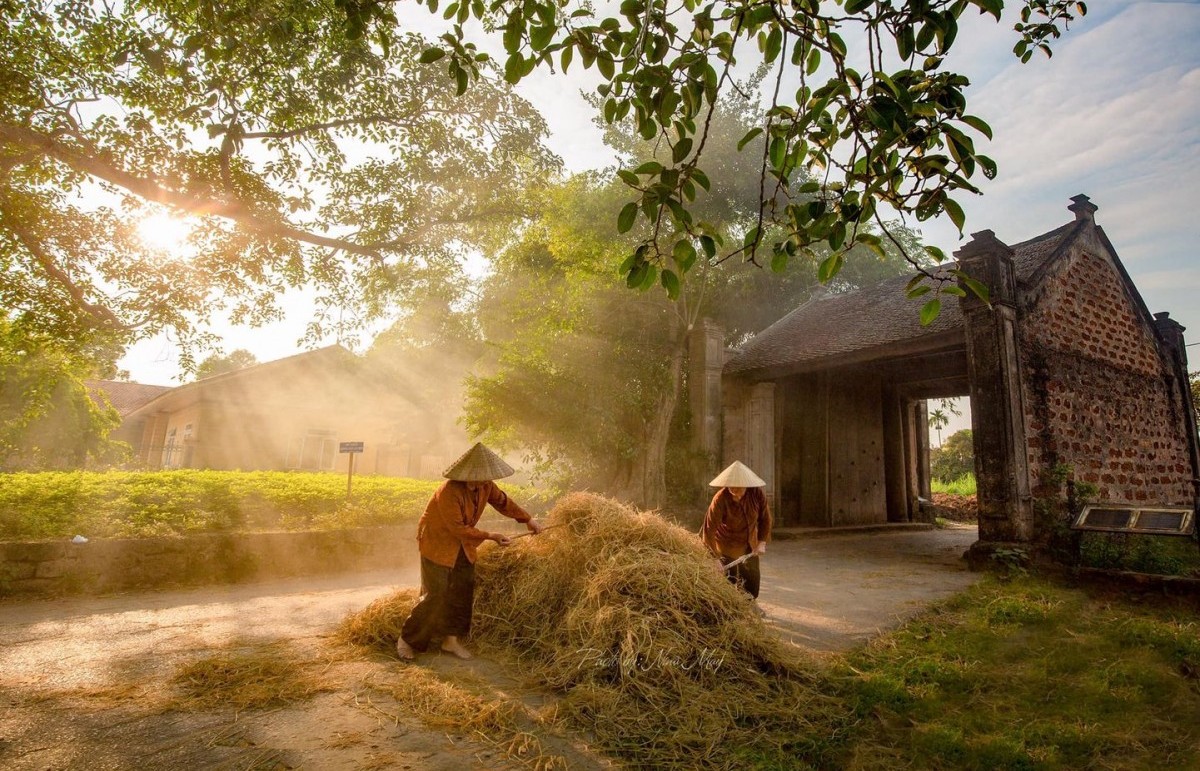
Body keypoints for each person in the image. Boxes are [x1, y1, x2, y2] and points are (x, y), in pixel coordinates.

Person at [395, 442, 541, 661]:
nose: (484, 480)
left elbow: (503, 502)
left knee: (462, 590)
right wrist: (490, 536)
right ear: (467, 475)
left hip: (464, 545)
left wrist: (527, 519)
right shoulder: (448, 492)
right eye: (480, 476)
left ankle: (450, 641)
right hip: (438, 544)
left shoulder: (486, 486)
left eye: (486, 476)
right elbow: (457, 528)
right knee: (436, 593)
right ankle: (407, 639)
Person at [700, 461, 772, 600]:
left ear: (746, 485)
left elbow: (766, 519)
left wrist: (762, 542)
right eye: (731, 489)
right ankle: (732, 610)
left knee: (752, 580)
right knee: (729, 581)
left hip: (750, 544)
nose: (735, 494)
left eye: (738, 490)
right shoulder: (720, 499)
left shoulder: (756, 494)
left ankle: (750, 605)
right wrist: (714, 558)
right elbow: (709, 530)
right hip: (726, 545)